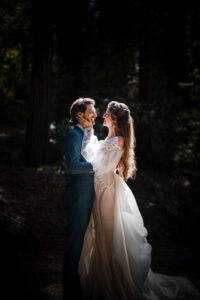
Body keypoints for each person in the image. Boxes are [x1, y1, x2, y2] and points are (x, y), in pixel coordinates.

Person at [78, 101, 200, 300]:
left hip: (107, 192)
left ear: (115, 119)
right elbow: (92, 157)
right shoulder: (108, 140)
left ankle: (116, 284)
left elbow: (95, 163)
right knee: (100, 234)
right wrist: (89, 133)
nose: (103, 116)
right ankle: (101, 282)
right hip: (99, 191)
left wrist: (88, 133)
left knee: (110, 237)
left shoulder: (118, 141)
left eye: (107, 114)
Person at [62, 97, 97, 299]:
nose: (94, 114)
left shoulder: (89, 135)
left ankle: (81, 288)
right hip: (78, 201)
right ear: (79, 114)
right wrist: (97, 164)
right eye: (91, 111)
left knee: (87, 247)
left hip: (91, 199)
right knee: (75, 246)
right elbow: (74, 167)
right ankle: (70, 292)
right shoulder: (73, 135)